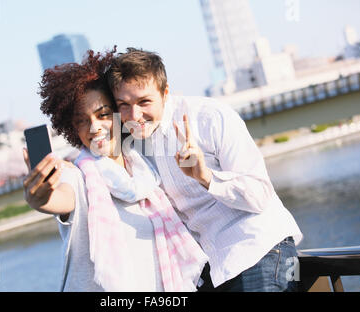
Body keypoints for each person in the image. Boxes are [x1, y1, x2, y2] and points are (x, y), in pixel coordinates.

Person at [105, 47, 303, 292]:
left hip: (259, 250)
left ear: (165, 93)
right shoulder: (130, 144)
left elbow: (260, 194)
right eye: (123, 105)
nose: (134, 115)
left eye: (144, 101)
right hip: (208, 271)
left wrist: (205, 177)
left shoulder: (209, 117)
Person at [21, 49, 208, 292]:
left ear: (121, 114)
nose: (95, 127)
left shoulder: (146, 172)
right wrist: (41, 198)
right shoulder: (78, 177)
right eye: (82, 121)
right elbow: (61, 199)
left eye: (103, 115)